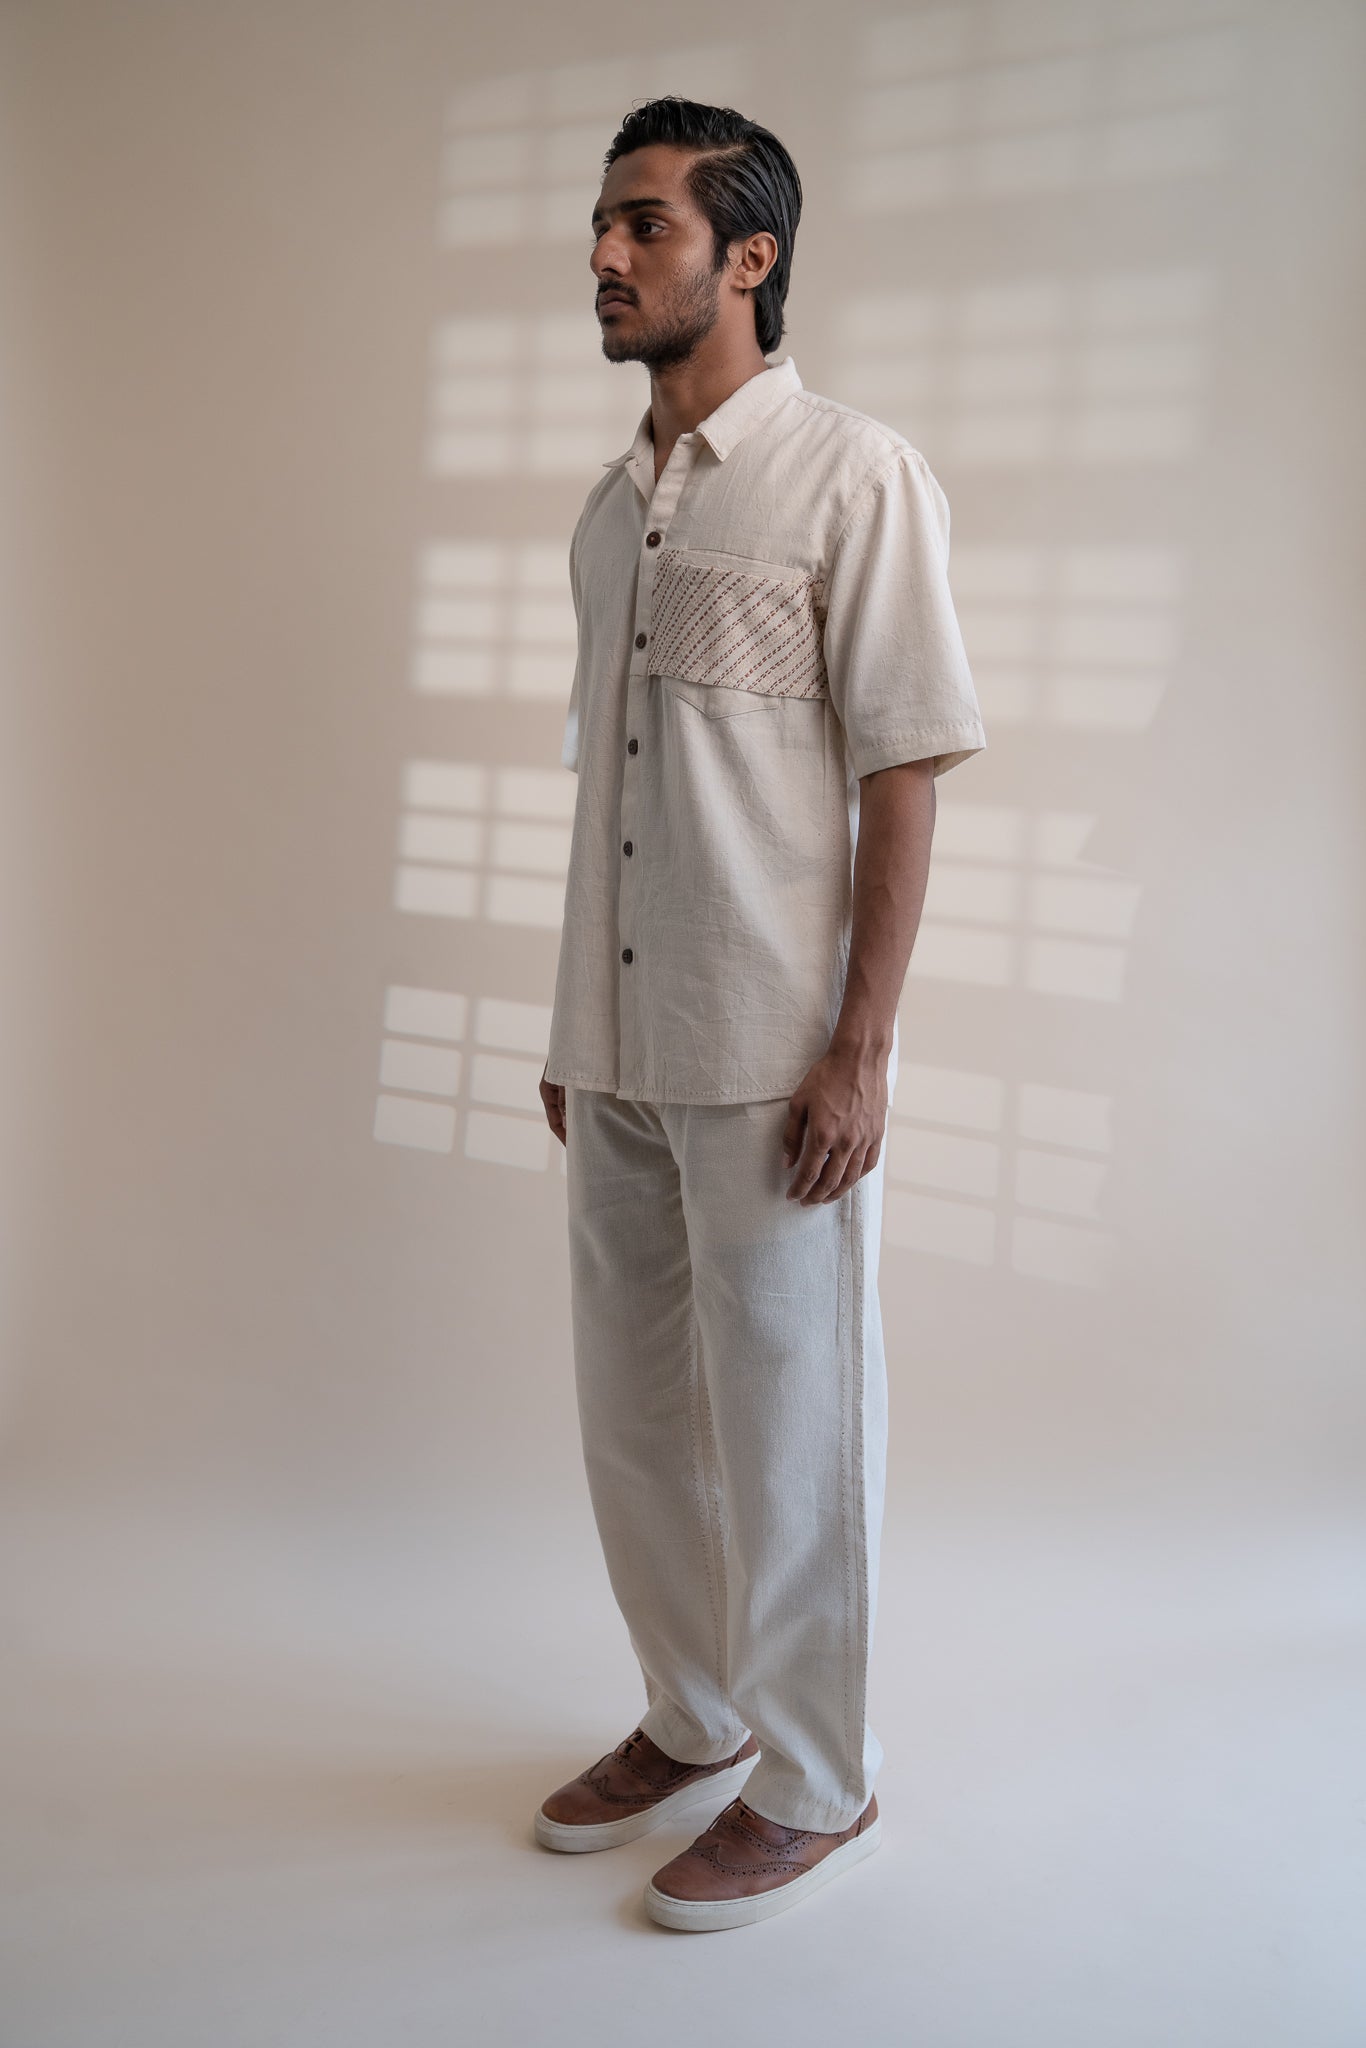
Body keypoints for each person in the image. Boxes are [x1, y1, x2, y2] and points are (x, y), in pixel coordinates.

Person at [534, 96, 985, 1932]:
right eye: (602, 224)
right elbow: (611, 786)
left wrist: (858, 1049)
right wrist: (573, 1025)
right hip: (618, 1046)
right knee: (634, 1414)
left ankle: (816, 1778)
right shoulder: (608, 510)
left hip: (772, 1052)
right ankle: (692, 1714)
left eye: (644, 224)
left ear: (750, 256)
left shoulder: (854, 477)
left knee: (795, 1422)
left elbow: (902, 771)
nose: (604, 254)